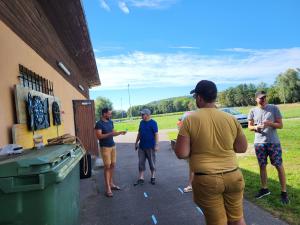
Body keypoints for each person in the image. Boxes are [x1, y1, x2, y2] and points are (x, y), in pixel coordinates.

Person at [175, 80, 248, 225]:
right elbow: (241, 148)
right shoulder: (230, 118)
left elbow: (182, 153)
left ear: (200, 98)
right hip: (234, 175)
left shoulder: (189, 120)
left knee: (217, 222)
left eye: (195, 96)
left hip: (207, 180)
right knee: (237, 218)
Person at [248, 91, 289, 204]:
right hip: (259, 143)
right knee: (262, 166)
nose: (263, 100)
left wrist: (270, 124)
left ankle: (284, 192)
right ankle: (265, 189)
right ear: (256, 99)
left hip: (273, 142)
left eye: (264, 98)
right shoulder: (252, 111)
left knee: (278, 165)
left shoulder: (274, 108)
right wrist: (257, 127)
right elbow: (249, 127)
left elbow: (280, 125)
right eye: (261, 98)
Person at [95, 107, 127, 197]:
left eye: (110, 113)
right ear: (104, 114)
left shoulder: (110, 122)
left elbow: (113, 132)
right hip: (105, 147)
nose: (110, 115)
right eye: (109, 114)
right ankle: (108, 188)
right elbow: (99, 136)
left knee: (113, 165)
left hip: (113, 146)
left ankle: (111, 184)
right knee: (107, 166)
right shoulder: (99, 124)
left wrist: (120, 132)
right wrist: (110, 134)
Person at [134, 108, 159, 185]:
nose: (141, 116)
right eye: (141, 114)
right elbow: (139, 133)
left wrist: (157, 145)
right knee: (141, 162)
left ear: (147, 115)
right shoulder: (141, 122)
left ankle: (153, 177)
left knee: (152, 162)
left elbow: (156, 134)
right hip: (141, 147)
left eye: (143, 114)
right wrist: (136, 142)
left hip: (150, 147)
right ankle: (141, 177)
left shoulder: (153, 123)